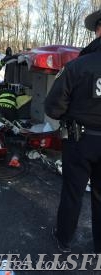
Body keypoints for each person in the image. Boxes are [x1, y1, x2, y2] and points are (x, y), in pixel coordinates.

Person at [44, 10, 101, 254]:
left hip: (80, 141)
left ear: (98, 29)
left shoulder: (77, 65)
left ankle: (64, 237)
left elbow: (53, 108)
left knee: (72, 192)